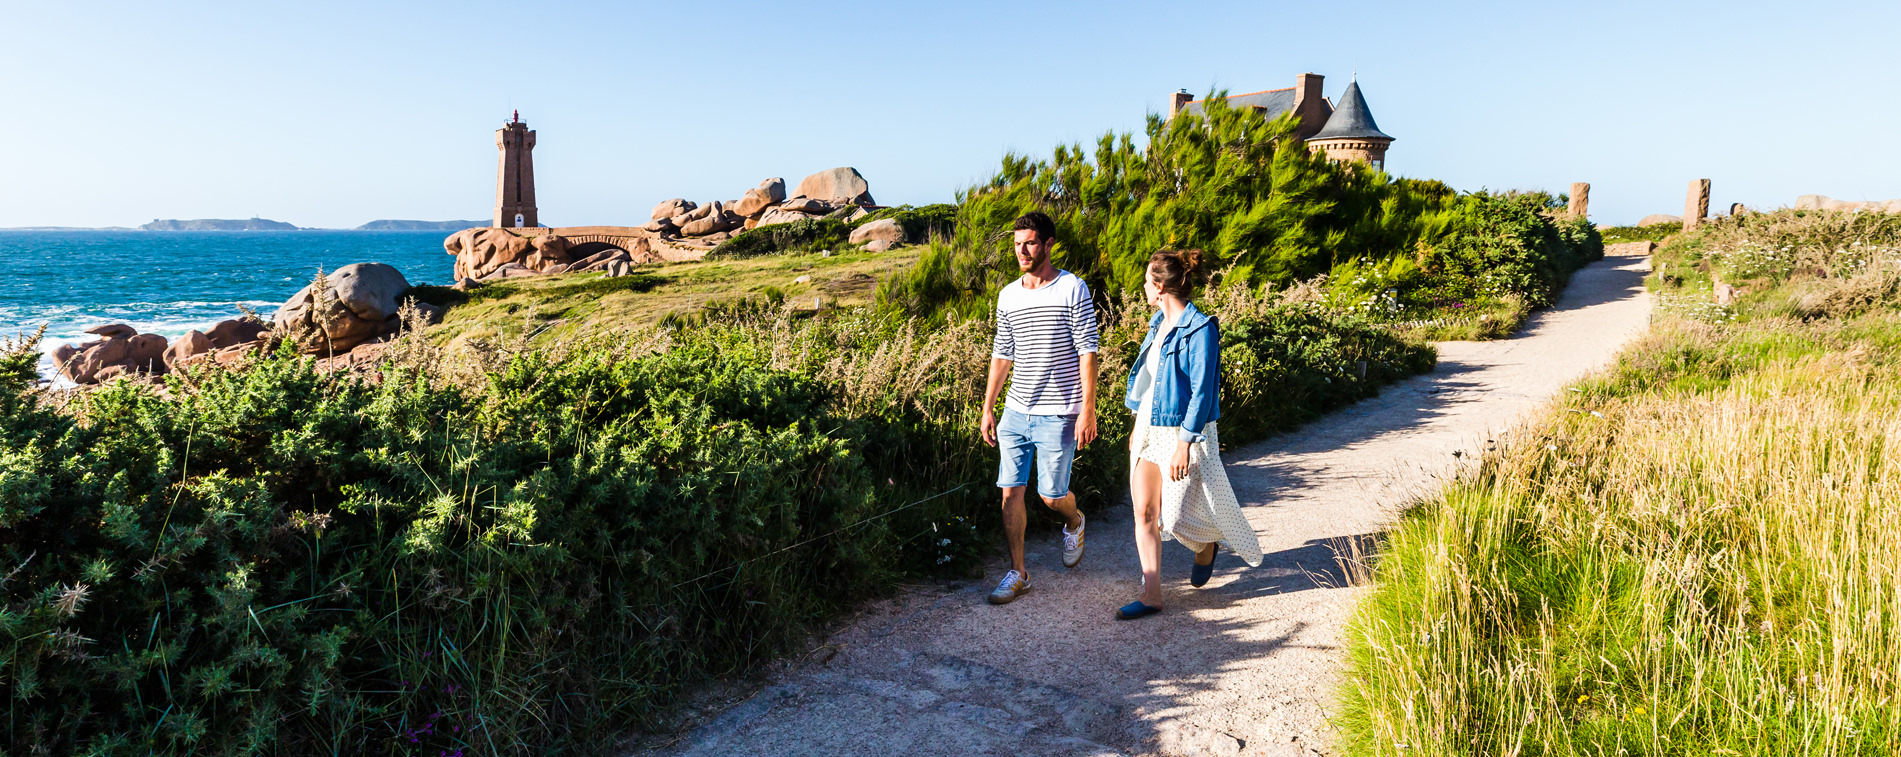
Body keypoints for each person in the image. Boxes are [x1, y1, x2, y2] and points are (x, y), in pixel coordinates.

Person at [1115, 249, 1263, 620]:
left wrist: (1184, 443)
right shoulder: (1155, 324)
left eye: (1147, 281)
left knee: (1177, 517)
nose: (1144, 287)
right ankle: (1152, 594)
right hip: (1150, 426)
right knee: (1144, 512)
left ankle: (1206, 545)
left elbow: (1203, 391)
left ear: (1160, 286)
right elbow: (1148, 384)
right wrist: (1137, 427)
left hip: (1184, 431)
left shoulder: (1201, 328)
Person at [978, 211, 1099, 605]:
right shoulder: (1008, 295)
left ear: (1048, 244)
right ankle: (1018, 573)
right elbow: (1002, 353)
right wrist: (988, 406)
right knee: (1009, 494)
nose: (1022, 250)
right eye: (1016, 243)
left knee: (1050, 496)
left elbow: (1088, 352)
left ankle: (1074, 519)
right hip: (1016, 410)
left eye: (1029, 243)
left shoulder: (1072, 288)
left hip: (1060, 410)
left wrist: (1087, 409)